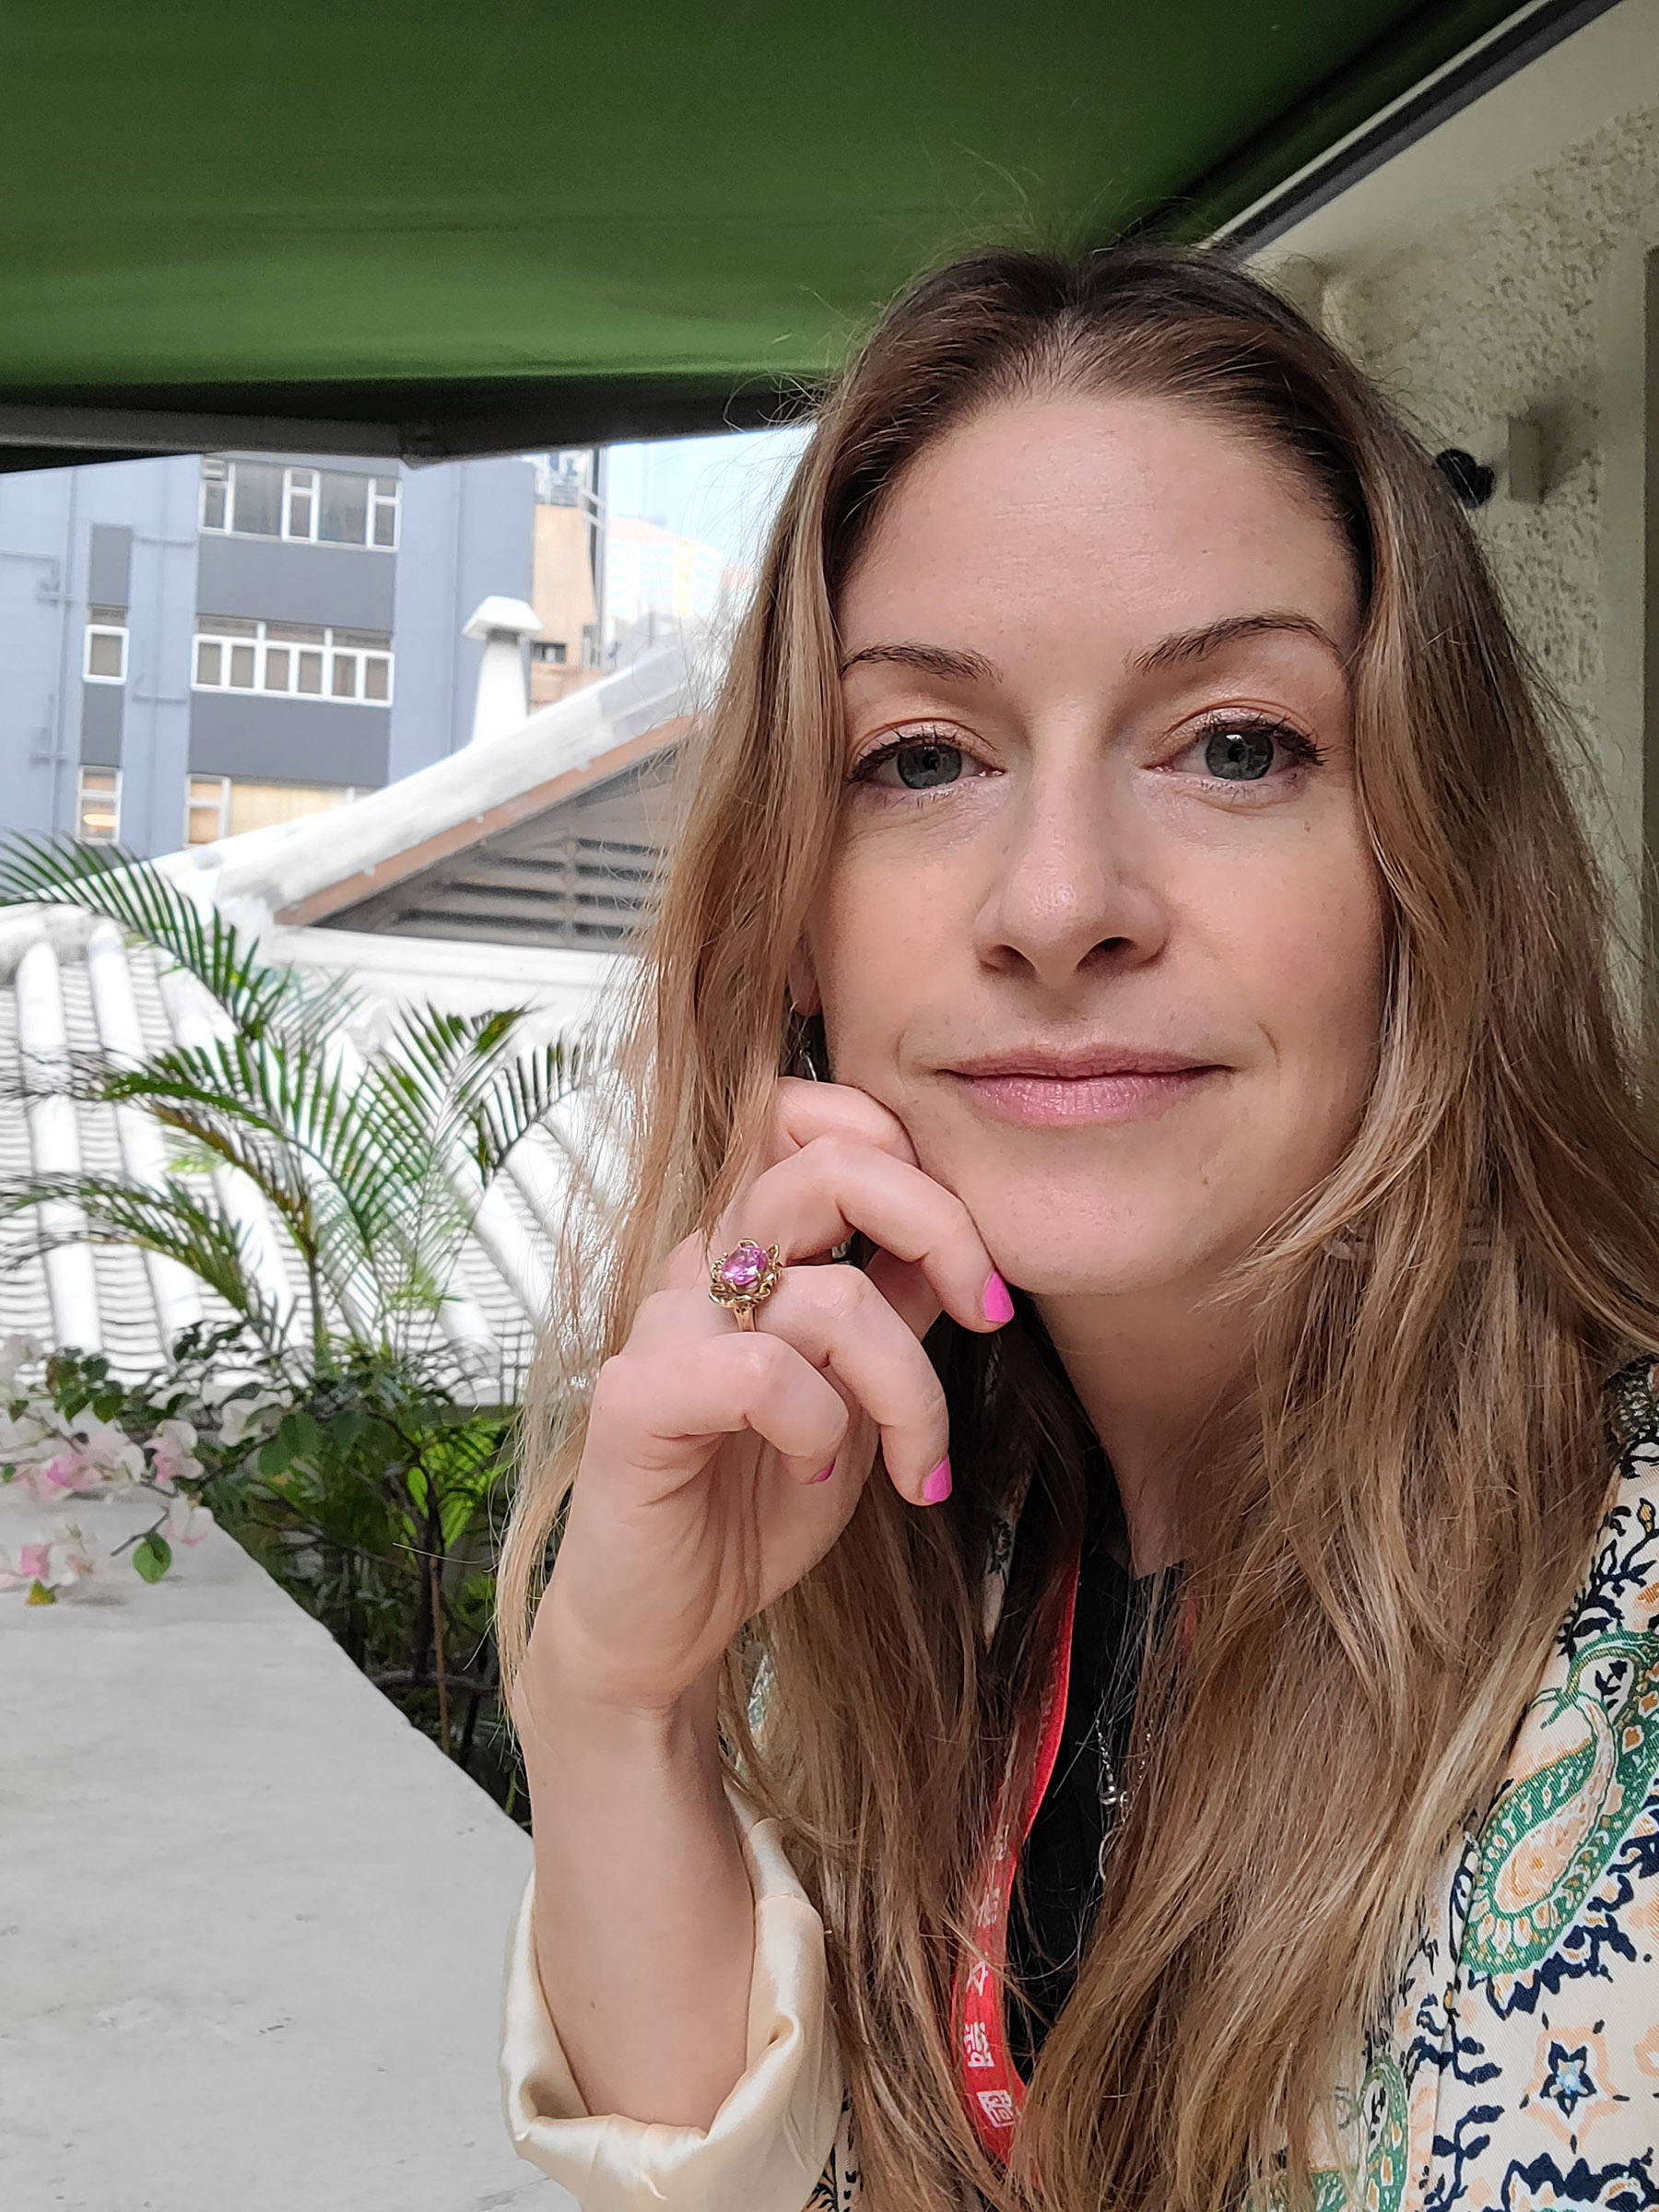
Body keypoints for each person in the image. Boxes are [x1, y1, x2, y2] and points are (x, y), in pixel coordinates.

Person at [491, 246, 1659, 2212]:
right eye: (920, 759)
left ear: (1433, 871)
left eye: (1235, 744)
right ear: (797, 918)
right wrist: (613, 1703)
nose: (1057, 903)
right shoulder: (901, 1536)